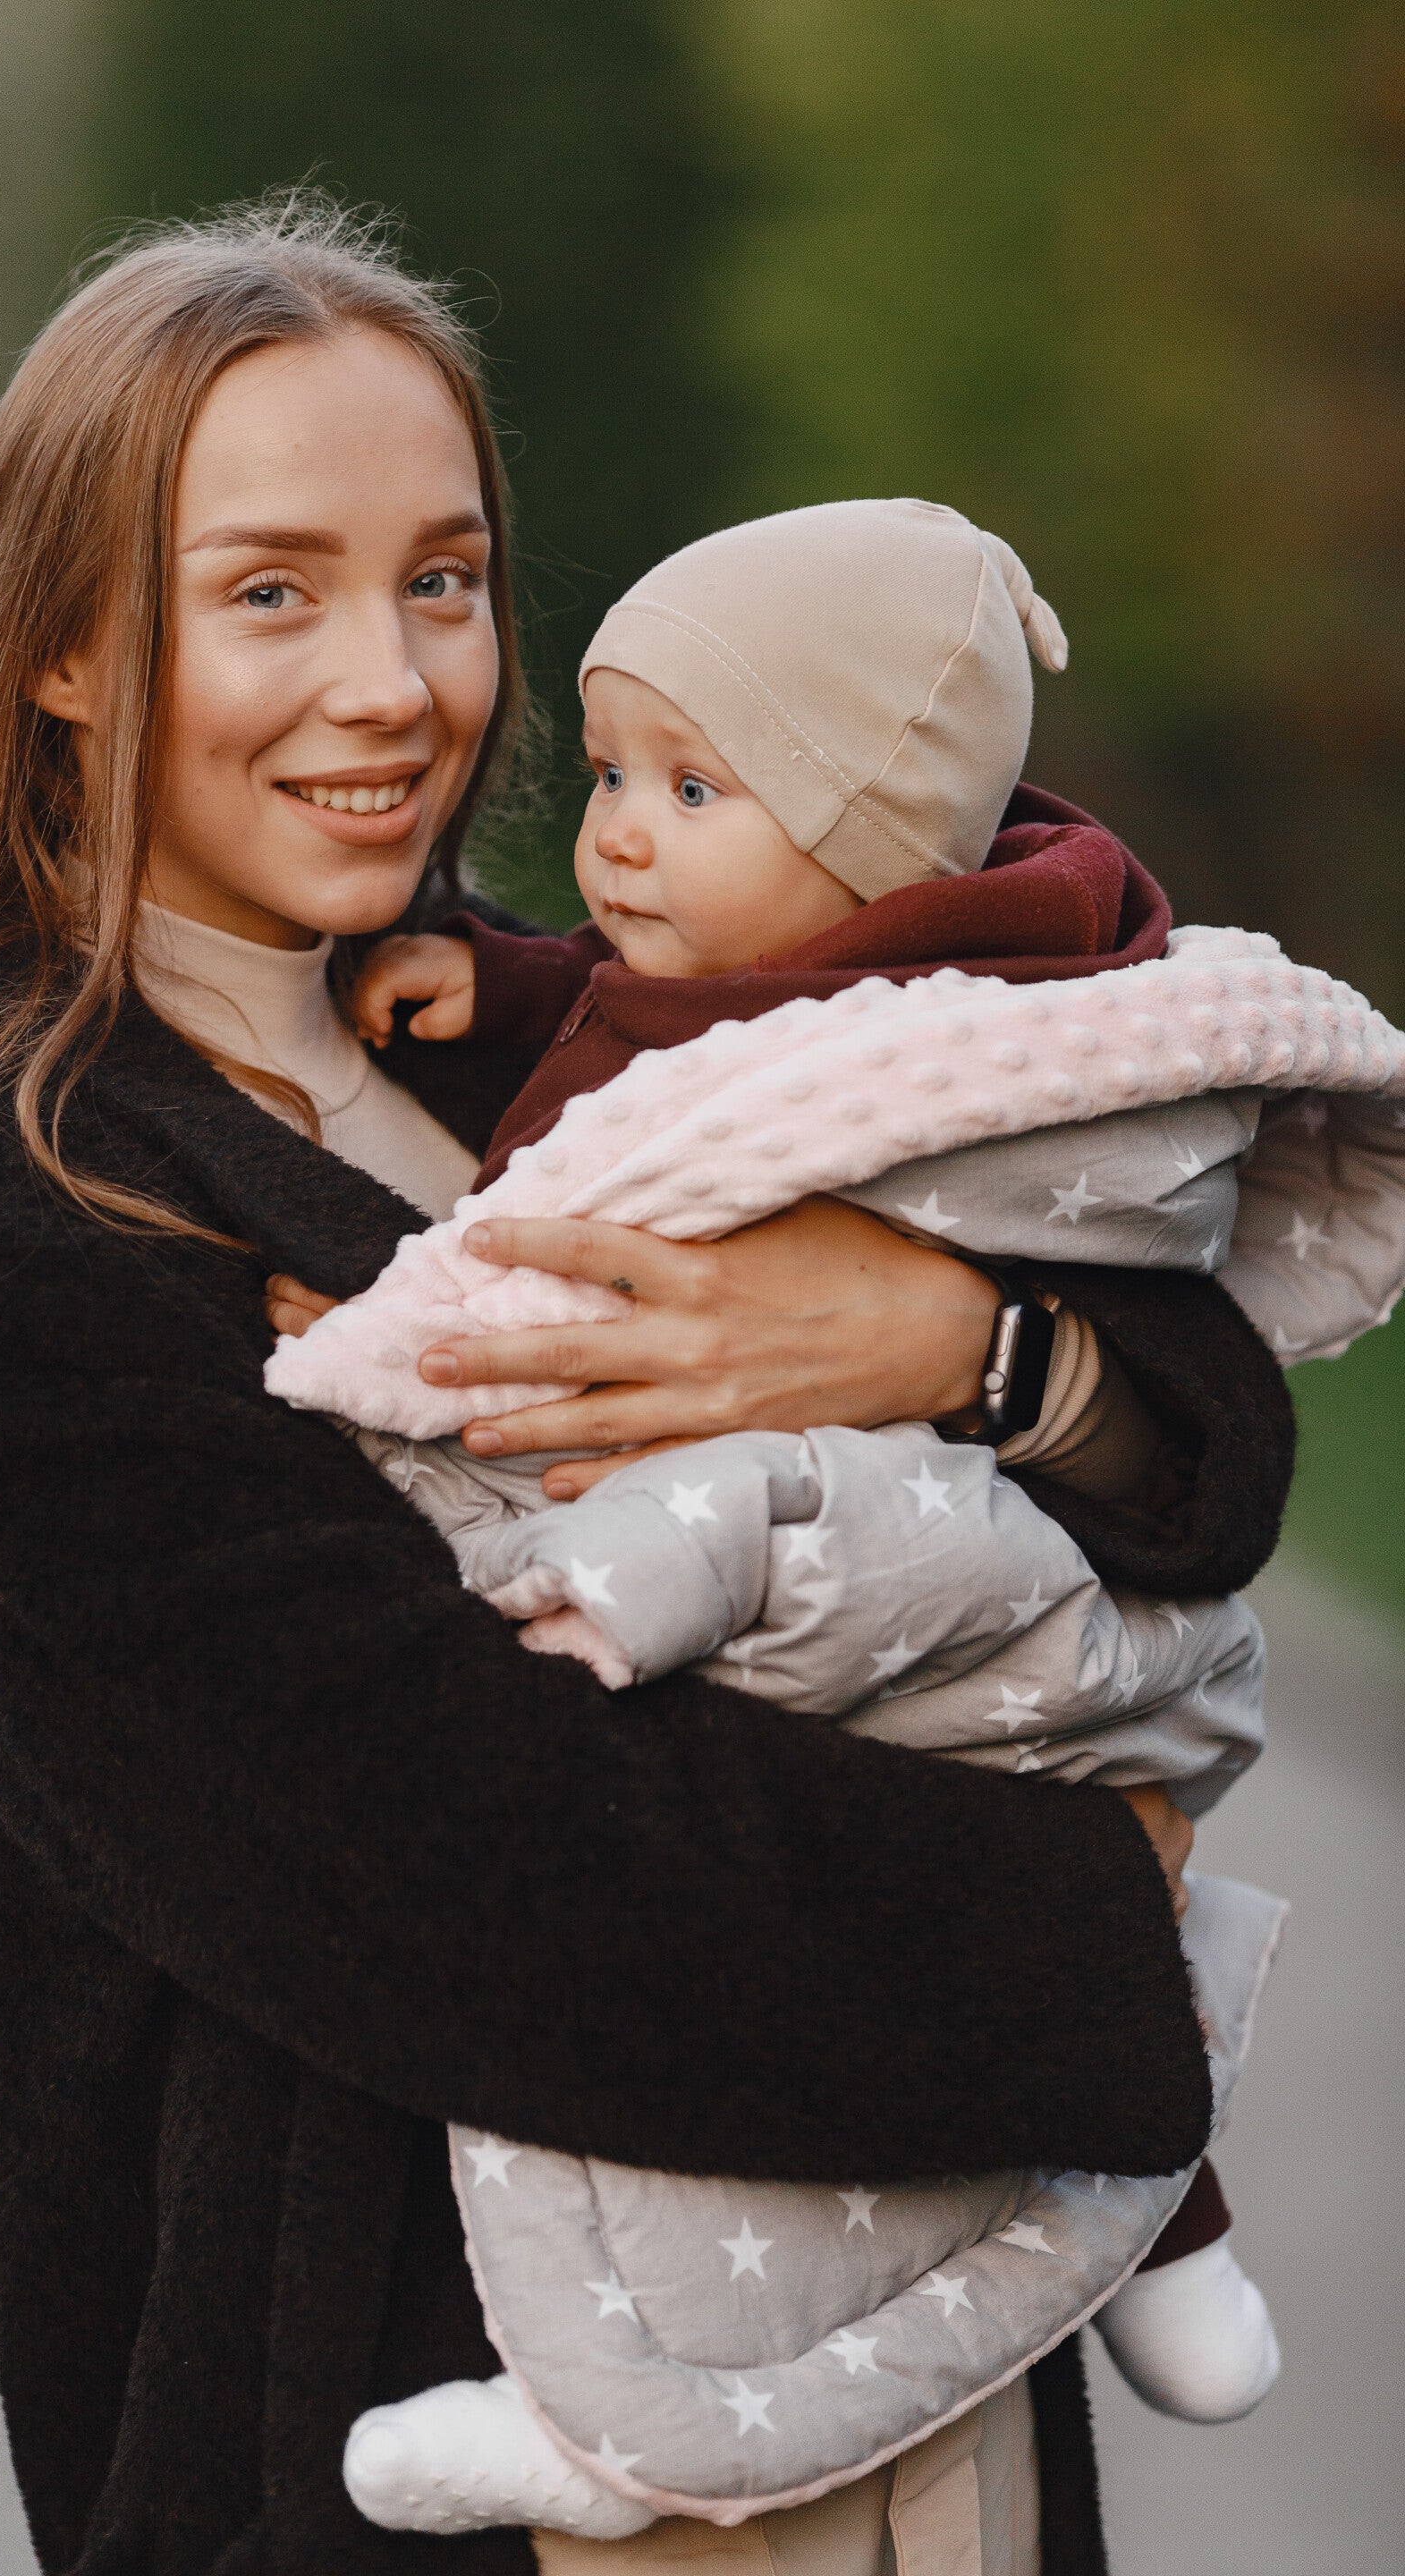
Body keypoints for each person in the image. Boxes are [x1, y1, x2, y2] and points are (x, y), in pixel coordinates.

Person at [0, 203, 1296, 2576]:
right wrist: (1112, 1917)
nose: (388, 685)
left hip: (891, 2393)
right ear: (64, 646)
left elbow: (1203, 1423)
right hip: (420, 2468)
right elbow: (474, 1872)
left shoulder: (563, 1043)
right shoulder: (6, 1220)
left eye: (440, 581)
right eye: (271, 592)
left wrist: (966, 1347)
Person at [267, 504, 1292, 2550]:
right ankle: (1160, 2243)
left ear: (873, 839)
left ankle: (1139, 2241)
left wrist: (959, 1337)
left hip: (900, 1583)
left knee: (951, 1845)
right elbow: (595, 1006)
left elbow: (1209, 1415)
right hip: (806, 1630)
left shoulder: (938, 1043)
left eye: (693, 788)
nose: (619, 841)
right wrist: (459, 976)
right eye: (619, 775)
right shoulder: (726, 967)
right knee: (943, 1918)